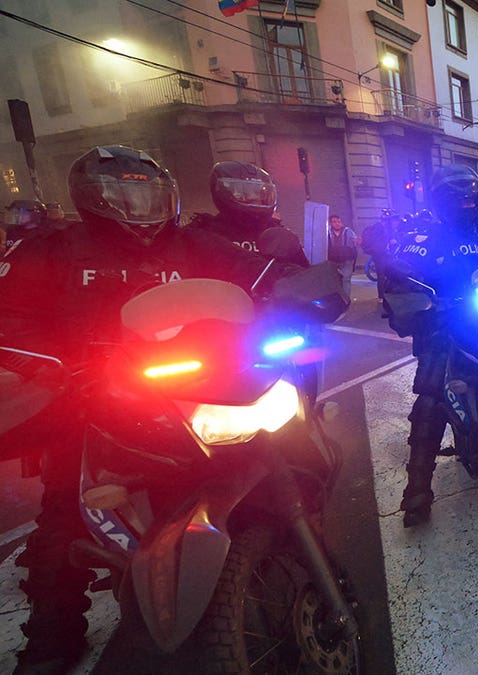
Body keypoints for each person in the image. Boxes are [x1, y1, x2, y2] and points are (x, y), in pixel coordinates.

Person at [0, 145, 304, 675]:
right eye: (123, 194)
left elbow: (254, 270)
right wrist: (51, 363)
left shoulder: (191, 243)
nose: (139, 207)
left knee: (264, 451)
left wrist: (297, 284)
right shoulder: (53, 249)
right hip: (89, 401)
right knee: (61, 520)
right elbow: (10, 316)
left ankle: (277, 559)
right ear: (91, 200)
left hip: (187, 388)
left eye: (148, 193)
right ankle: (51, 636)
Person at [376, 164, 478, 528]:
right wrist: (414, 294)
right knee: (433, 393)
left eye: (469, 192)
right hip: (445, 326)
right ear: (441, 199)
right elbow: (397, 268)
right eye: (457, 194)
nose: (466, 199)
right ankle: (417, 487)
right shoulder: (426, 236)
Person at [187, 161, 306, 263]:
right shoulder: (204, 234)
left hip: (272, 289)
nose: (254, 198)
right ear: (221, 190)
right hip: (222, 289)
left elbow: (302, 276)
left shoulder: (278, 233)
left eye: (259, 192)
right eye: (244, 193)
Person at [328, 213, 358, 298]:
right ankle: (336, 299)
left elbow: (355, 244)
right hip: (332, 261)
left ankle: (346, 300)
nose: (337, 223)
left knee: (346, 280)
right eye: (334, 221)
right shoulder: (327, 232)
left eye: (339, 221)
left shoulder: (348, 231)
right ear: (330, 223)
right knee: (334, 280)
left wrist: (357, 242)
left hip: (347, 260)